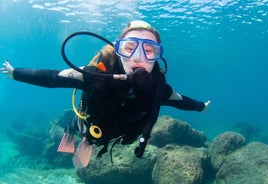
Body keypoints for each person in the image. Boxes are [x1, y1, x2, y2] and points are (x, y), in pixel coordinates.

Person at [1, 20, 211, 168]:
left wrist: (201, 106)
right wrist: (16, 73)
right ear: (117, 50)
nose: (138, 58)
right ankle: (70, 129)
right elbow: (53, 77)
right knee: (80, 128)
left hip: (121, 134)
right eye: (129, 48)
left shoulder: (158, 88)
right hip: (92, 125)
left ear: (157, 57)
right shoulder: (95, 75)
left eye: (149, 51)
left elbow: (180, 100)